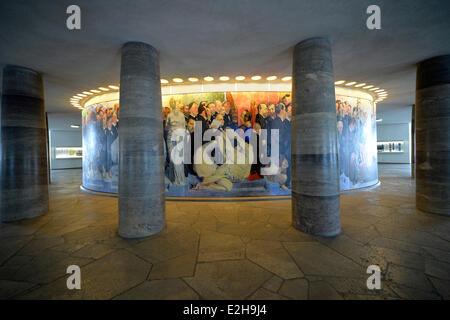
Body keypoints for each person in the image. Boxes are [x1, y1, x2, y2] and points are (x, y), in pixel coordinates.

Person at [166, 104, 187, 185]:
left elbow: (166, 127)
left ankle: (177, 180)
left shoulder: (169, 115)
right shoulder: (181, 115)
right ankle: (177, 179)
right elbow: (184, 127)